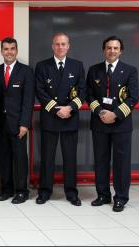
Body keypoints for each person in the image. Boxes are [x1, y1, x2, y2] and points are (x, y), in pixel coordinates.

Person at [86, 36, 138, 212]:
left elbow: (133, 97)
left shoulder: (130, 70)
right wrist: (101, 112)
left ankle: (121, 198)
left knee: (121, 162)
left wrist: (115, 114)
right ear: (104, 50)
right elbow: (89, 95)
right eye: (109, 48)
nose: (112, 51)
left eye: (115, 48)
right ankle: (102, 194)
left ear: (121, 51)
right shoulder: (94, 70)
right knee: (101, 160)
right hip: (100, 121)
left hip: (121, 124)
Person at [35, 33, 85, 206]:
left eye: (63, 44)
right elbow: (40, 91)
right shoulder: (42, 66)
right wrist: (57, 110)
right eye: (57, 44)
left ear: (68, 46)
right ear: (52, 46)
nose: (60, 47)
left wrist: (69, 108)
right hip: (50, 118)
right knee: (47, 158)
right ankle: (44, 192)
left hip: (70, 118)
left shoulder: (77, 66)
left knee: (70, 158)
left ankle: (71, 193)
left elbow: (82, 92)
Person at [0, 37, 35, 204]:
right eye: (6, 49)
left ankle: (22, 191)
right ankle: (6, 189)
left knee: (20, 158)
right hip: (0, 124)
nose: (9, 52)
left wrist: (24, 123)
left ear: (16, 51)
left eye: (12, 49)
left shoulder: (26, 71)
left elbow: (28, 100)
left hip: (18, 124)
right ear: (1, 51)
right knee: (4, 158)